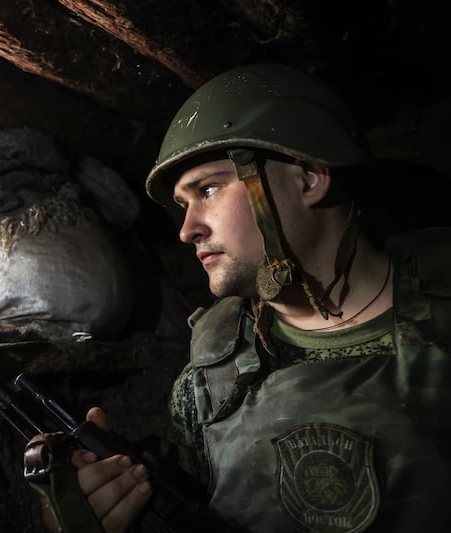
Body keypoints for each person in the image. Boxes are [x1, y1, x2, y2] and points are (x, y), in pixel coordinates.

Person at [31, 63, 451, 532]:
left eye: (208, 189)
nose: (188, 230)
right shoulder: (208, 382)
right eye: (183, 204)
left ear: (309, 176)